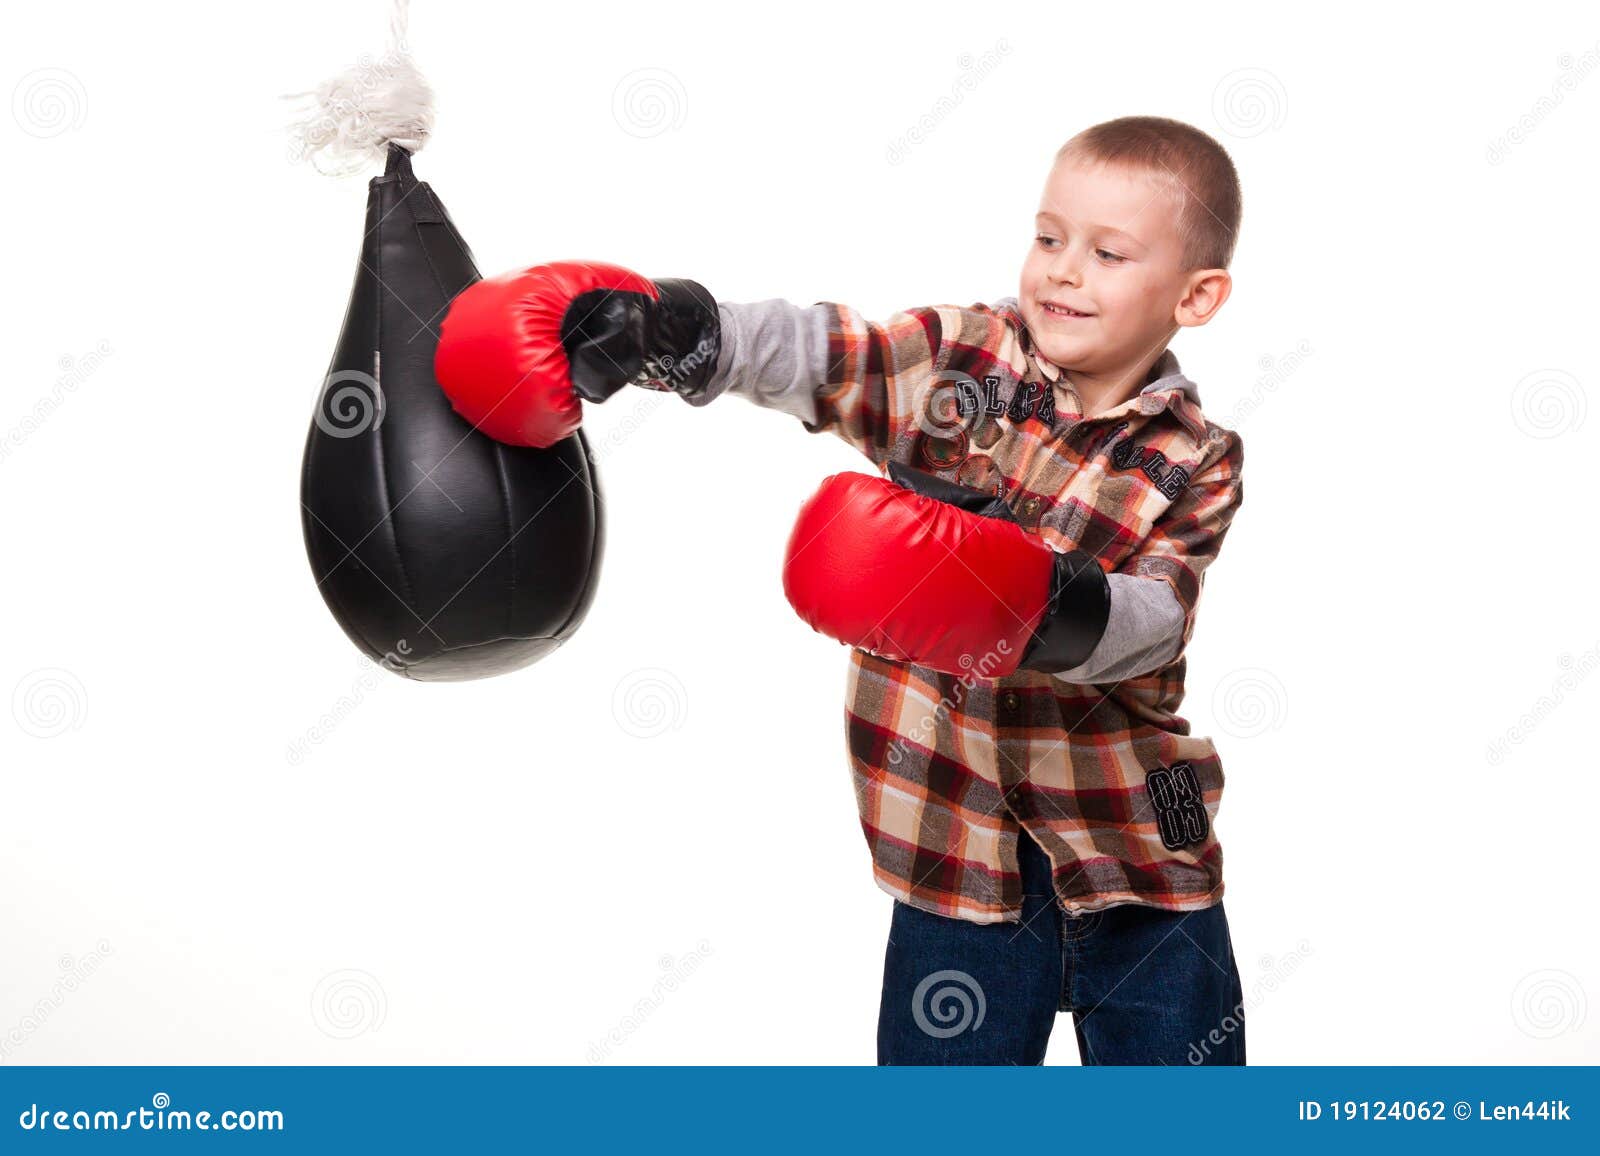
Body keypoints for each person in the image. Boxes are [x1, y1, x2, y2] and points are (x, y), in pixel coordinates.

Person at [435, 115, 1249, 1066]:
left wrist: (1030, 599)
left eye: (1108, 252)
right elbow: (835, 357)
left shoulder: (1200, 457)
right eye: (1047, 236)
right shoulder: (965, 363)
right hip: (957, 848)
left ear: (1196, 297)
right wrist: (684, 333)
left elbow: (1158, 618)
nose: (1063, 271)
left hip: (1140, 848)